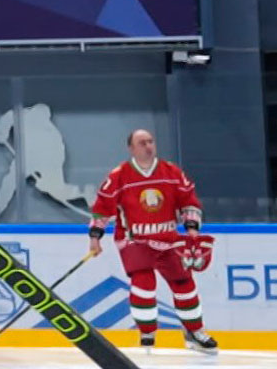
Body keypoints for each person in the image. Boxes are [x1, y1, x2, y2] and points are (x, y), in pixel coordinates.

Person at [88, 129, 220, 355]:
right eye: (142, 143)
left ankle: (194, 331)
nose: (148, 146)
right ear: (132, 148)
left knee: (184, 283)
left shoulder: (171, 172)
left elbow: (188, 200)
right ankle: (147, 334)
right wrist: (95, 238)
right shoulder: (119, 176)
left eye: (150, 141)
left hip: (168, 239)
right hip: (134, 241)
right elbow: (102, 208)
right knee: (143, 283)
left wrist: (191, 227)